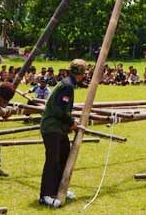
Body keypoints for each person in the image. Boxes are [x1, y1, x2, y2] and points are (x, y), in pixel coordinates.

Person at [38, 59, 88, 208]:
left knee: (64, 157)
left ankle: (60, 190)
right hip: (52, 128)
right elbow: (60, 110)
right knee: (52, 161)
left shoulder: (68, 84)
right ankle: (45, 195)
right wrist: (72, 122)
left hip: (59, 128)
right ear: (80, 74)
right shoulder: (67, 86)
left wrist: (70, 123)